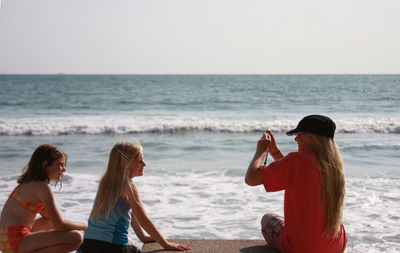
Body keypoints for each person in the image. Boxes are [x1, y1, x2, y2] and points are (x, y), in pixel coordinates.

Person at [245, 115, 347, 253]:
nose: (296, 138)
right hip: (335, 246)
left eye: (299, 134)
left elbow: (251, 178)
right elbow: (291, 174)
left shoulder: (297, 161)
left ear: (311, 137)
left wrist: (262, 150)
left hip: (303, 248)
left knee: (267, 219)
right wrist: (274, 151)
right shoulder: (334, 164)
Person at [78, 141, 191, 253]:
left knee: (129, 240)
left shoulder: (106, 181)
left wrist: (142, 237)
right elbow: (143, 220)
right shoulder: (128, 186)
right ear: (126, 164)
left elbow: (132, 213)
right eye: (139, 161)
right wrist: (166, 244)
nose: (144, 164)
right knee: (129, 244)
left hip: (88, 246)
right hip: (112, 247)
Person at [0, 144, 87, 253]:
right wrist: (85, 227)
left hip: (5, 241)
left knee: (50, 221)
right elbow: (60, 225)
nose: (64, 169)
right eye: (60, 165)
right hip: (16, 240)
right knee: (76, 238)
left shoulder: (27, 184)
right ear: (45, 165)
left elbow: (50, 218)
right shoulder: (42, 187)